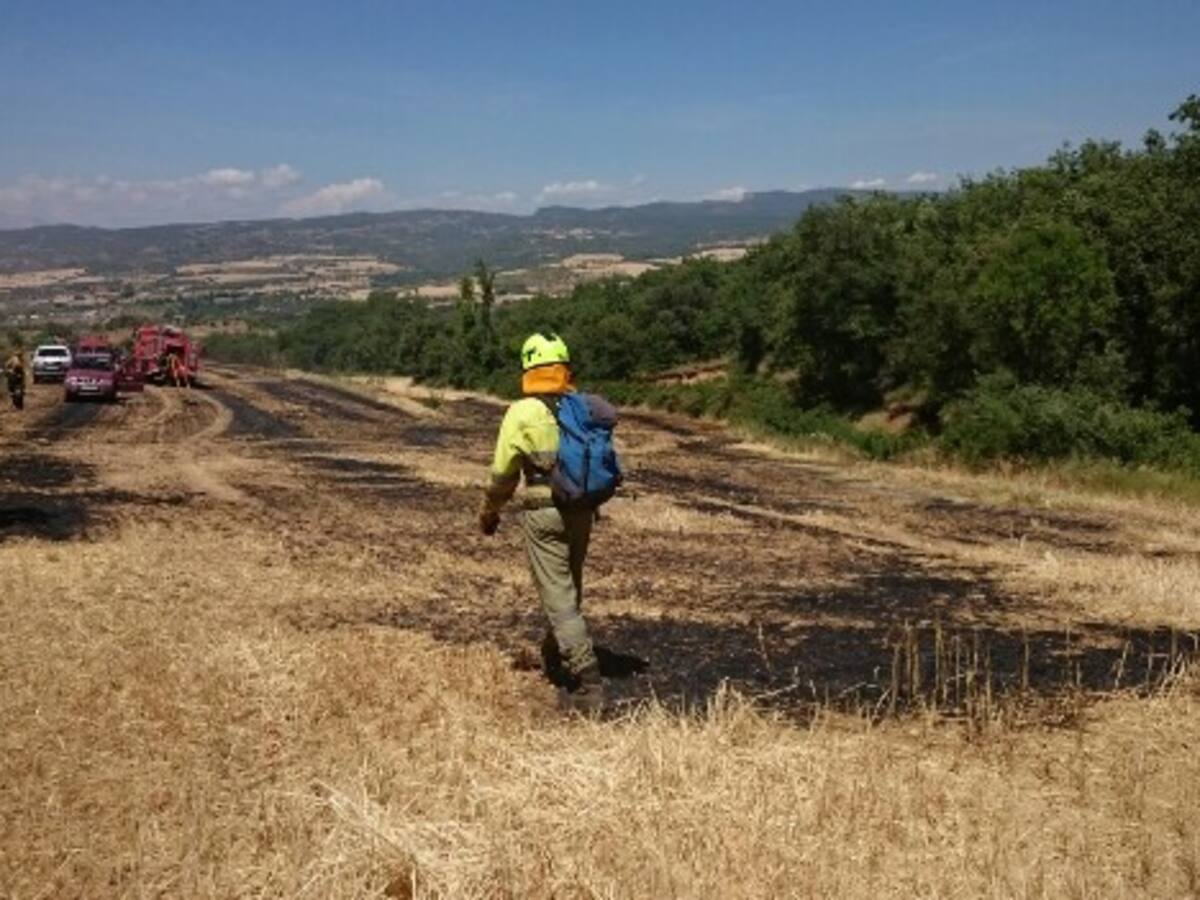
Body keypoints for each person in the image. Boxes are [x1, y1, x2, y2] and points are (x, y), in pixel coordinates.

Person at [479, 333, 608, 714]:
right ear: (564, 366)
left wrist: (489, 512)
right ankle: (553, 655)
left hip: (542, 509)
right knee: (569, 589)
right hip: (582, 510)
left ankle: (588, 680)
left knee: (558, 596)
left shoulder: (521, 412)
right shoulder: (581, 407)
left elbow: (503, 474)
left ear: (528, 368)